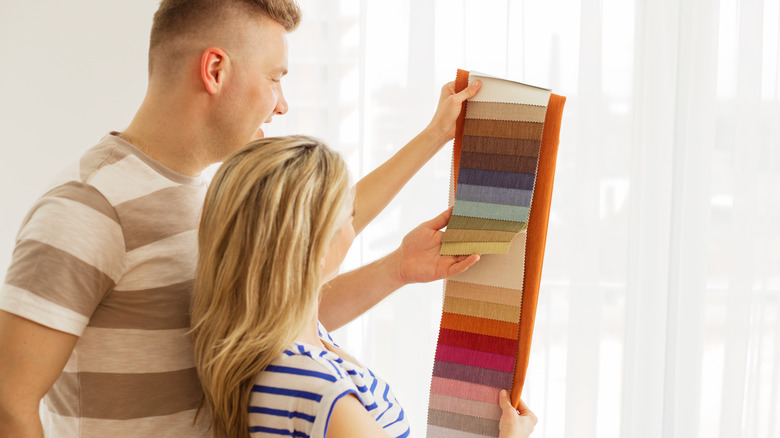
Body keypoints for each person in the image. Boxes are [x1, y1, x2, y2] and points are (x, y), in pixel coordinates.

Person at [0, 1, 484, 437]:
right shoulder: (88, 208)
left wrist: (433, 141)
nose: (282, 102)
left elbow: (274, 312)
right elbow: (9, 406)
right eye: (275, 77)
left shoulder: (211, 190)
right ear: (215, 70)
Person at [191, 135, 536, 438]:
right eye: (350, 215)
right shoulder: (321, 392)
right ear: (314, 244)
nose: (352, 228)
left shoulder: (268, 338)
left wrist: (399, 266)